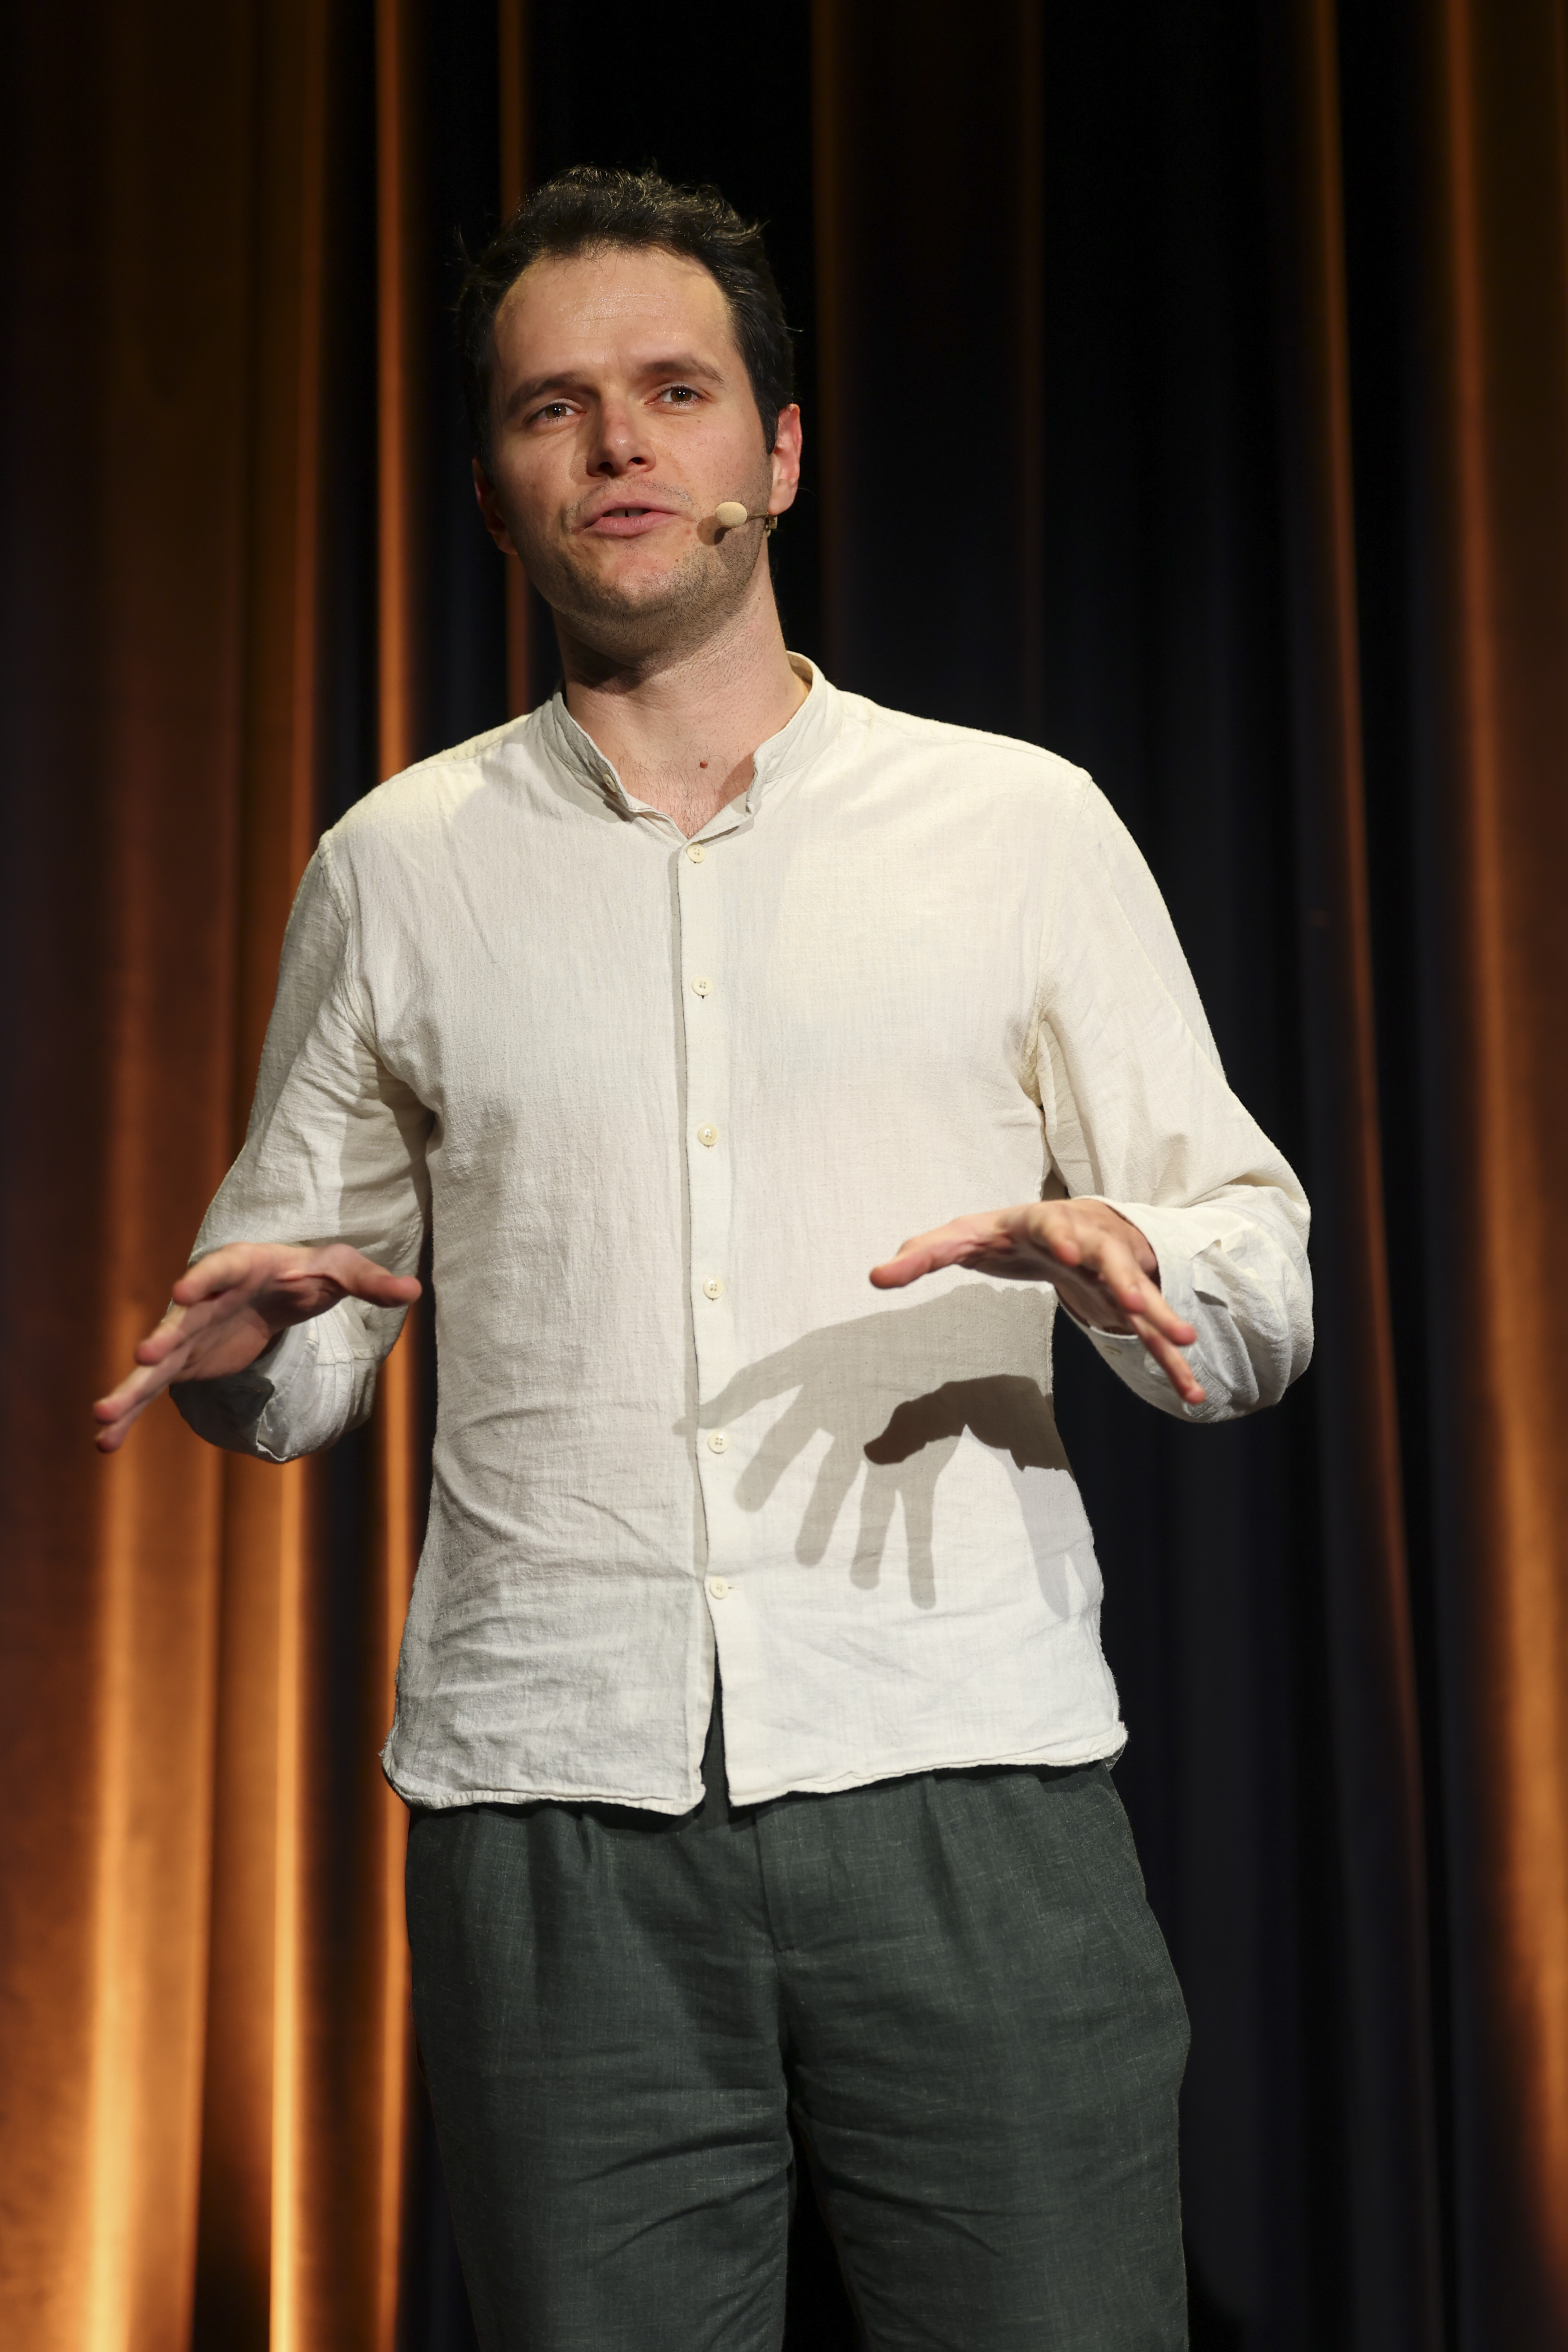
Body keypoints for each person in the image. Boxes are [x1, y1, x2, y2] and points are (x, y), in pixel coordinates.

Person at [94, 166, 1311, 2351]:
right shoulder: (396, 868)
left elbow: (1260, 1275)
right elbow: (290, 1365)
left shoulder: (1017, 827)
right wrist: (242, 1350)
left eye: (675, 390)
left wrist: (1127, 1255)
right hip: (553, 1809)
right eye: (553, 408)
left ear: (783, 448)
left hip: (966, 1781)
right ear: (496, 492)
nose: (619, 445)